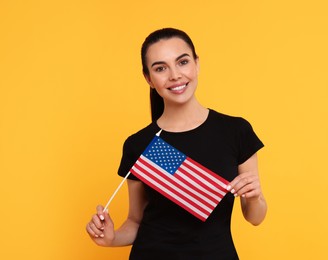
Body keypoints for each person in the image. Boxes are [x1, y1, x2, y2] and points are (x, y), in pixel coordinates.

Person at [86, 28, 267, 259]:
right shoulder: (139, 144)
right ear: (149, 79)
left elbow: (255, 217)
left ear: (197, 64)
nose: (174, 75)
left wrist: (254, 197)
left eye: (182, 62)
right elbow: (135, 222)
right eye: (161, 68)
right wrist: (111, 238)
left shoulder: (236, 131)